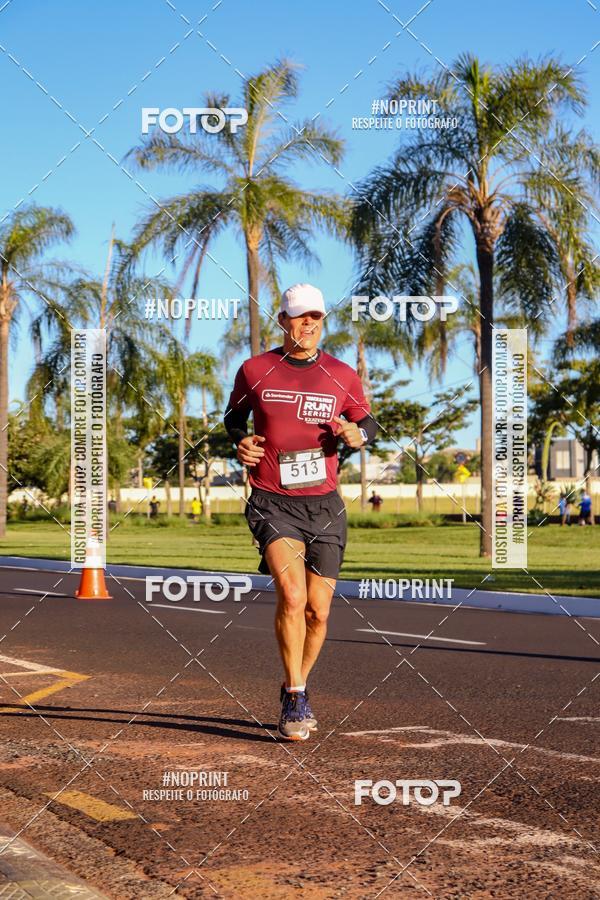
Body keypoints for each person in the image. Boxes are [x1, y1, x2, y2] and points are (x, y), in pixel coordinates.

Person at [224, 283, 377, 741]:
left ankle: (299, 682)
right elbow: (234, 417)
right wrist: (241, 442)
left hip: (326, 504)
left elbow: (366, 419)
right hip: (273, 499)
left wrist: (358, 436)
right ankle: (294, 696)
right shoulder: (255, 369)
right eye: (299, 316)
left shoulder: (341, 374)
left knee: (319, 611)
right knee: (291, 596)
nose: (308, 323)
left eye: (316, 316)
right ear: (282, 321)